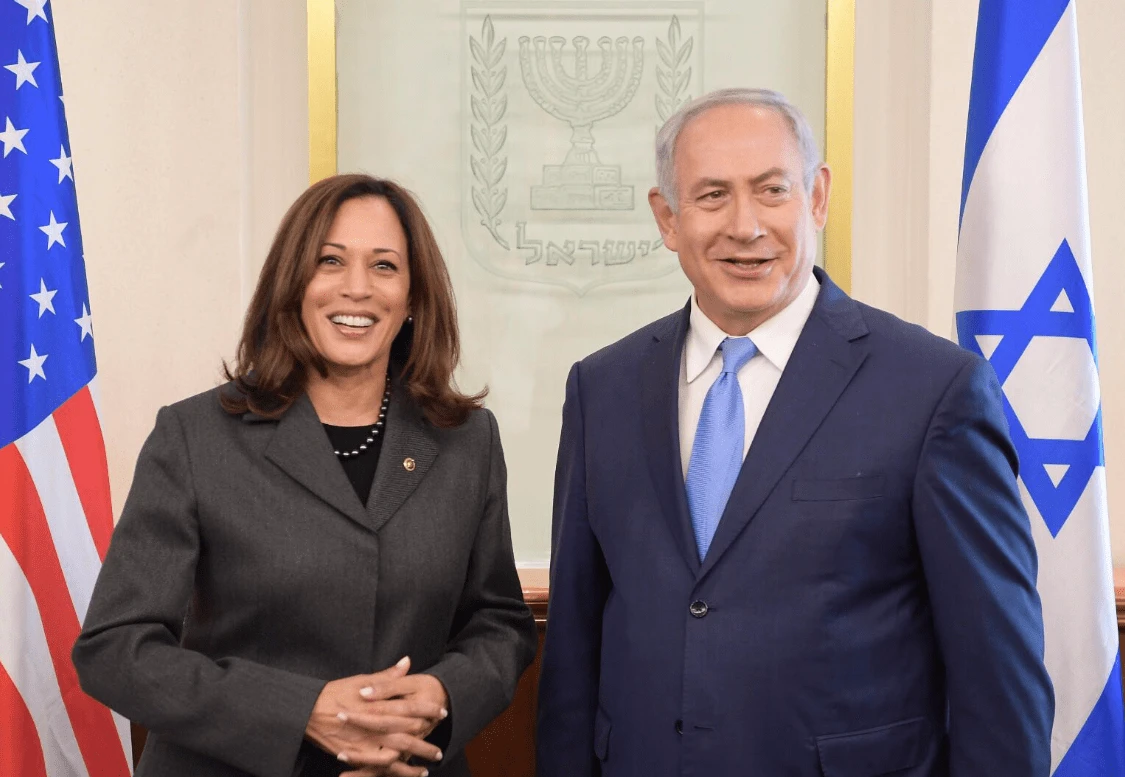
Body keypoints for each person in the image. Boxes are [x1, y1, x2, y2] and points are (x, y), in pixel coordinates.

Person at [535, 88, 1053, 775]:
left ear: (816, 197)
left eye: (771, 190)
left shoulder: (932, 390)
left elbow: (999, 680)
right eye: (712, 195)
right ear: (666, 217)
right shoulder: (600, 389)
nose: (745, 226)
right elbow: (573, 657)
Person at [73, 174, 538, 777]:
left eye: (385, 267)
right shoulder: (194, 437)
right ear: (292, 284)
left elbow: (499, 621)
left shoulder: (467, 441)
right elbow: (116, 649)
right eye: (330, 261)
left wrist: (441, 696)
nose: (357, 289)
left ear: (414, 297)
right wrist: (300, 711)